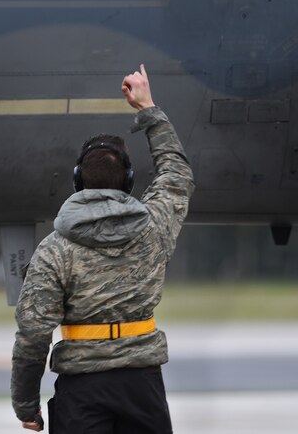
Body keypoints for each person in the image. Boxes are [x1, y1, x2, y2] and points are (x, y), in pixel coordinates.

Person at [11, 64, 194, 432]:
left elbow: (33, 334)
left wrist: (27, 405)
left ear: (78, 181)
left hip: (82, 391)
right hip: (143, 388)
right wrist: (148, 109)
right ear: (128, 181)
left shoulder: (54, 251)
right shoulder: (153, 229)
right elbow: (176, 174)